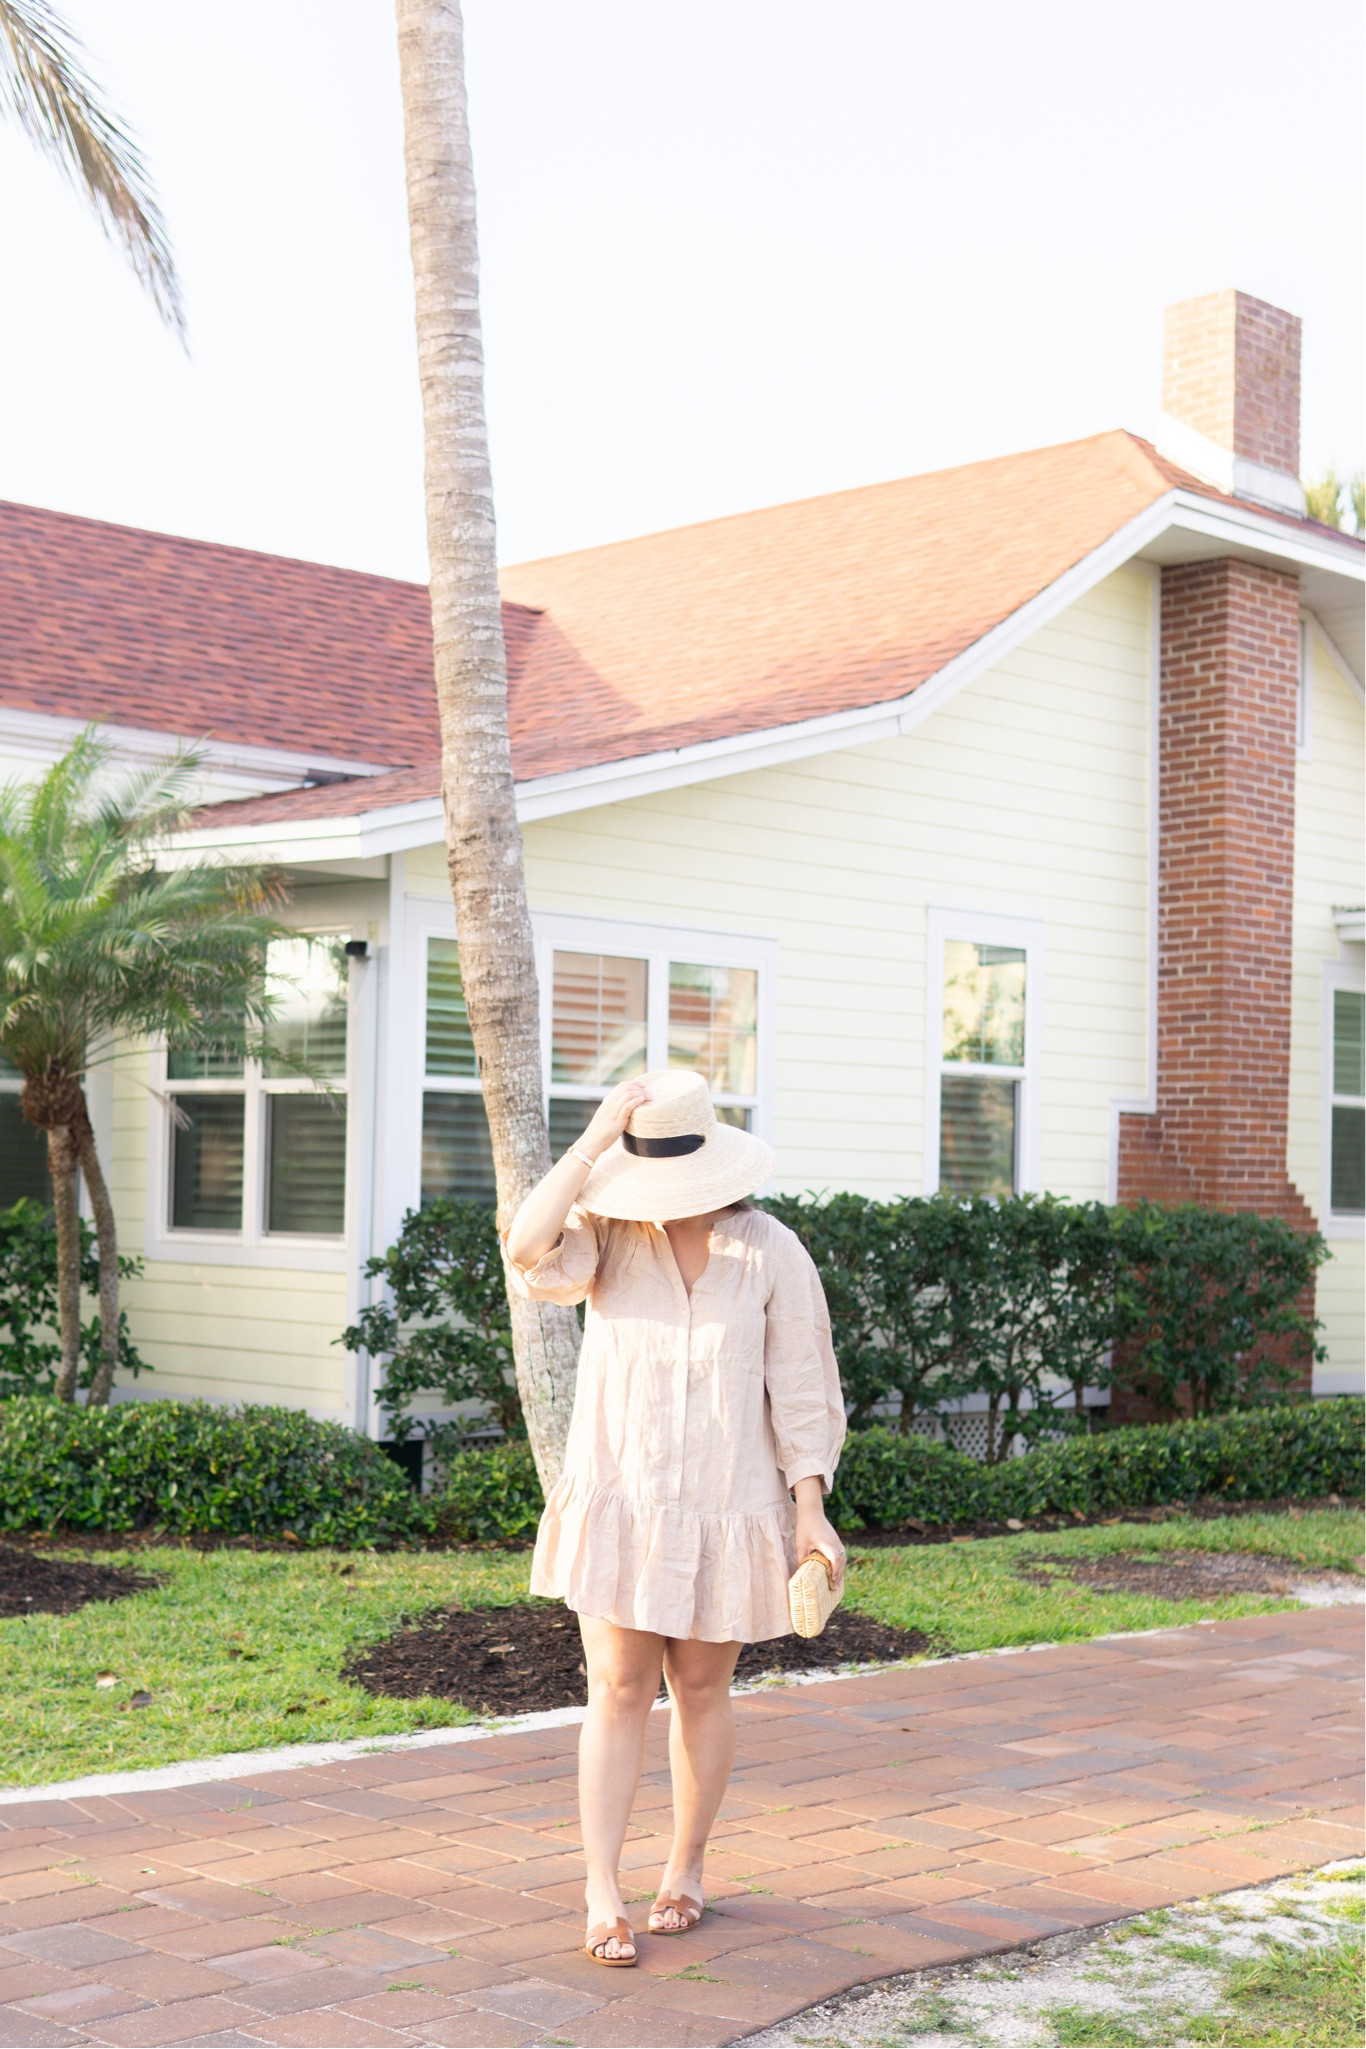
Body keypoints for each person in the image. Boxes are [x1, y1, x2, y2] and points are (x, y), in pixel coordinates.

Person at [503, 1068, 847, 1968]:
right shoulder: (606, 1234)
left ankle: (686, 1868)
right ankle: (601, 1889)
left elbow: (802, 1388)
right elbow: (524, 1246)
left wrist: (810, 1510)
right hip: (624, 1497)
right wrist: (589, 1143)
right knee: (617, 1689)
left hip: (731, 1506)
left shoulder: (770, 1250)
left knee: (699, 1690)